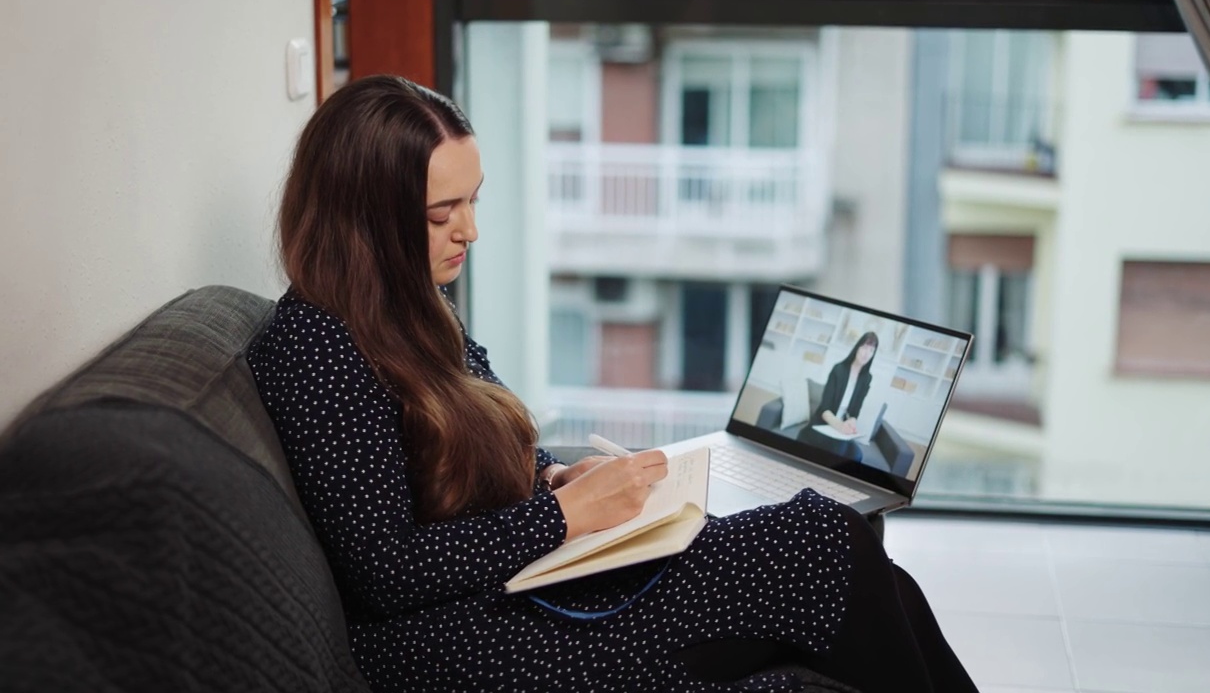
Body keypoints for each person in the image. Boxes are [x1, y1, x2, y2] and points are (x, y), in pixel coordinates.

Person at [247, 75, 976, 693]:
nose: (470, 231)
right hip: (457, 639)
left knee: (834, 540)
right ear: (365, 220)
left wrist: (558, 478)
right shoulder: (317, 348)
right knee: (819, 546)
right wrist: (564, 518)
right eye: (443, 213)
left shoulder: (414, 308)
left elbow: (466, 450)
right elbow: (385, 571)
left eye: (474, 201)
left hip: (513, 579)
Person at [796, 332, 879, 459]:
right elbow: (825, 409)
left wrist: (851, 423)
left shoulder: (866, 379)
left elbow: (855, 411)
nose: (866, 353)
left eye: (871, 350)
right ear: (857, 347)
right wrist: (840, 426)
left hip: (841, 431)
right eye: (864, 347)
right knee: (838, 451)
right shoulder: (839, 370)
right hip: (823, 424)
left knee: (858, 455)